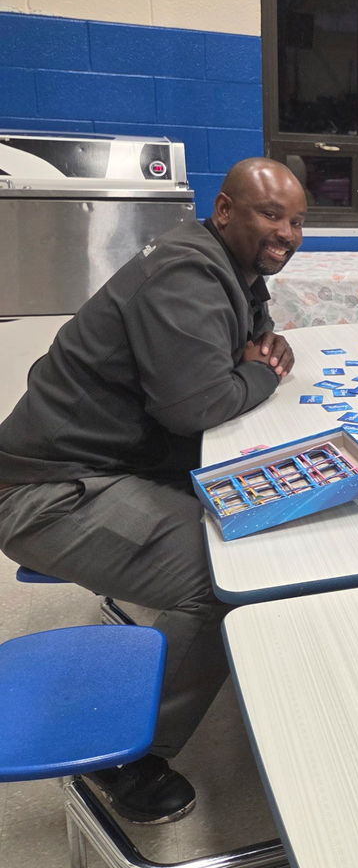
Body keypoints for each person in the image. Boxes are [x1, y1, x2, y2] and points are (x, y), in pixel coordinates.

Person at [0, 157, 307, 822]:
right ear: (224, 210)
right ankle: (126, 758)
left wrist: (255, 358)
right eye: (270, 214)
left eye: (297, 220)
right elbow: (200, 405)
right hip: (47, 490)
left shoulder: (228, 267)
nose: (288, 231)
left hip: (113, 462)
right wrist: (262, 377)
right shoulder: (187, 272)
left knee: (262, 514)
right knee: (232, 576)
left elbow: (249, 339)